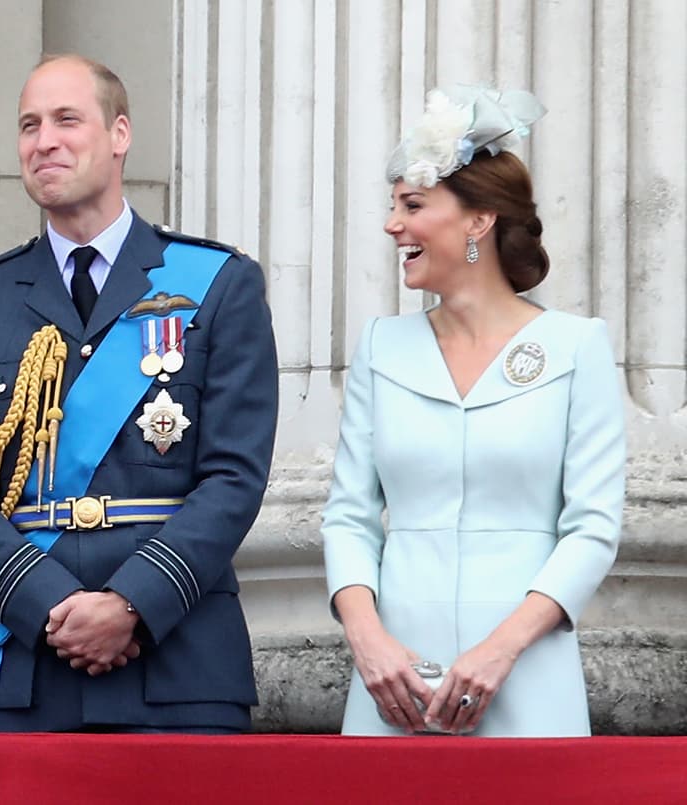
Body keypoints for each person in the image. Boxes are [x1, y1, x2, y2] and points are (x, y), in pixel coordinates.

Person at [0, 54, 278, 733]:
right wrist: (47, 602)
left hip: (178, 664)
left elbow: (234, 477)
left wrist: (132, 601)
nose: (43, 140)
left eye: (65, 120)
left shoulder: (219, 284)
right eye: (28, 125)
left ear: (119, 134)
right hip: (30, 665)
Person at [321, 86, 625, 737]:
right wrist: (367, 640)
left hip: (526, 676)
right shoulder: (382, 347)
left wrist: (501, 649)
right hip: (391, 686)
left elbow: (593, 526)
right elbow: (348, 516)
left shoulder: (576, 348)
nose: (391, 224)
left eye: (413, 205)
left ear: (477, 221)